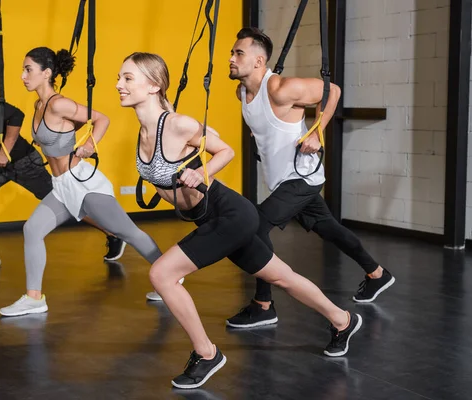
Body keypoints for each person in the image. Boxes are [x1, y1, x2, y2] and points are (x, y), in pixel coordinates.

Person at [117, 51, 363, 389]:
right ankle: (342, 319)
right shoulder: (146, 130)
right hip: (210, 219)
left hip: (230, 213)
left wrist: (197, 171)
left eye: (127, 78)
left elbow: (225, 150)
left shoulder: (176, 125)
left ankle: (207, 354)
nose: (119, 85)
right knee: (283, 278)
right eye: (120, 78)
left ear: (153, 86)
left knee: (162, 274)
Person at [225, 27, 395, 329]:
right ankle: (377, 273)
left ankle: (263, 305)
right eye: (232, 52)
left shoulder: (279, 88)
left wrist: (318, 130)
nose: (231, 58)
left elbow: (334, 91)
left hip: (302, 176)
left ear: (259, 62)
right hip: (281, 178)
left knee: (255, 228)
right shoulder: (241, 91)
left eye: (239, 53)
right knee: (329, 229)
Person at [0, 47, 163, 317]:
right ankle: (34, 299)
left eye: (28, 69)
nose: (23, 75)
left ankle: (169, 278)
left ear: (46, 73)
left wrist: (88, 143)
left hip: (83, 184)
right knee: (32, 229)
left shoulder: (58, 103)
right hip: (61, 186)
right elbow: (62, 131)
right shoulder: (39, 105)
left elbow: (101, 119)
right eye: (24, 69)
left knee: (128, 233)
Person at [0, 60, 127, 269]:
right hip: (1, 164)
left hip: (23, 160)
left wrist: (5, 151)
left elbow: (14, 115)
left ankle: (113, 233)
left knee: (66, 201)